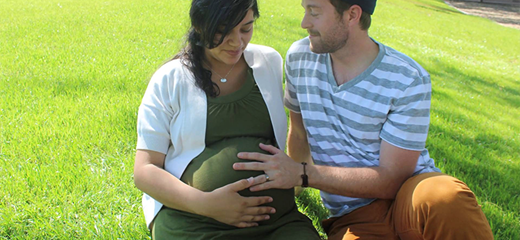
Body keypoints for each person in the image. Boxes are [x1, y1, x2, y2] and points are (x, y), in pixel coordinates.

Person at [233, 0, 494, 239]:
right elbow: (299, 134)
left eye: (314, 12)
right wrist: (292, 191)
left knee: (447, 198)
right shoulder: (300, 58)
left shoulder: (407, 78)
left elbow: (392, 180)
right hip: (353, 216)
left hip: (410, 197)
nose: (304, 23)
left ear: (352, 15)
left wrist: (302, 174)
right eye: (305, 10)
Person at [133, 0, 321, 239]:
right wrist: (206, 204)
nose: (237, 42)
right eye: (223, 31)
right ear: (200, 25)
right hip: (194, 220)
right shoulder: (170, 79)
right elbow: (145, 170)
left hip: (278, 223)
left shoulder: (269, 63)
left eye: (246, 28)